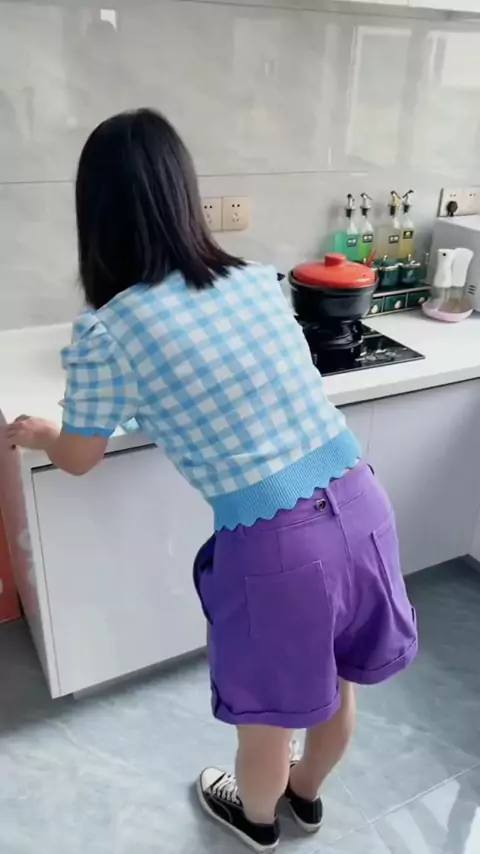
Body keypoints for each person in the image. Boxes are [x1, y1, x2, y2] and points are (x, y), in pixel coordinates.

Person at [7, 109, 417, 852]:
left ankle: (255, 821)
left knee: (267, 718)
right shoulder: (255, 279)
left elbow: (79, 456)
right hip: (362, 500)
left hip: (281, 549)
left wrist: (40, 433)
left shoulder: (110, 329)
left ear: (94, 212)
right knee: (336, 684)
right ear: (183, 192)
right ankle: (306, 798)